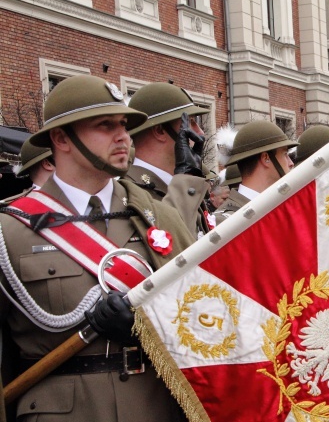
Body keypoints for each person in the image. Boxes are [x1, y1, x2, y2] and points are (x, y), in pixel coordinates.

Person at [0, 75, 196, 422]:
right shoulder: (10, 230)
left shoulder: (159, 216)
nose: (123, 136)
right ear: (61, 138)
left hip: (154, 406)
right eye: (105, 125)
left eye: (123, 124)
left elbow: (201, 311)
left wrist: (147, 327)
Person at [126, 82, 211, 238]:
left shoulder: (183, 184)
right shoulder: (130, 192)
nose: (200, 133)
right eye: (190, 123)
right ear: (160, 130)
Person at [214, 120, 298, 223]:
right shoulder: (225, 221)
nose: (291, 163)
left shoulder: (281, 209)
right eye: (285, 154)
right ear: (266, 158)